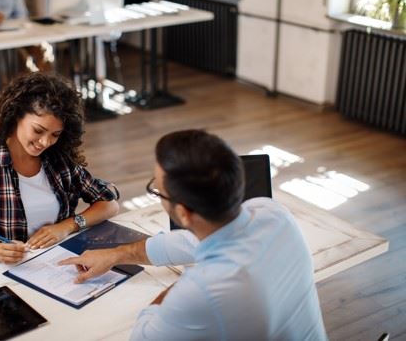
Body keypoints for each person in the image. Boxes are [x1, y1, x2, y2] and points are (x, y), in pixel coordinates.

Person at [60, 129, 327, 340]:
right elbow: (184, 243)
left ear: (184, 213)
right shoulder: (272, 212)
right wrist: (115, 254)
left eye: (158, 191)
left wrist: (179, 290)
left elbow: (142, 335)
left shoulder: (201, 292)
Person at [0, 72, 119, 264]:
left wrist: (66, 226)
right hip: (3, 279)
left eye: (55, 134)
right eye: (38, 130)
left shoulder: (60, 162)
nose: (46, 142)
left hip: (58, 268)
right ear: (15, 116)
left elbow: (109, 204)